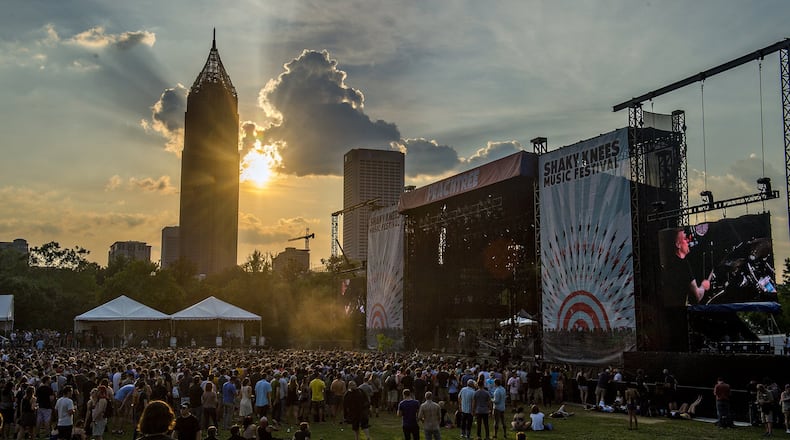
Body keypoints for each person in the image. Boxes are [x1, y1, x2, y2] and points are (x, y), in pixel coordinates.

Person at [665, 229, 711, 304]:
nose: (688, 241)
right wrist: (704, 285)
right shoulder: (683, 265)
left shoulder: (672, 262)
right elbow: (698, 297)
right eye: (685, 239)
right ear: (678, 245)